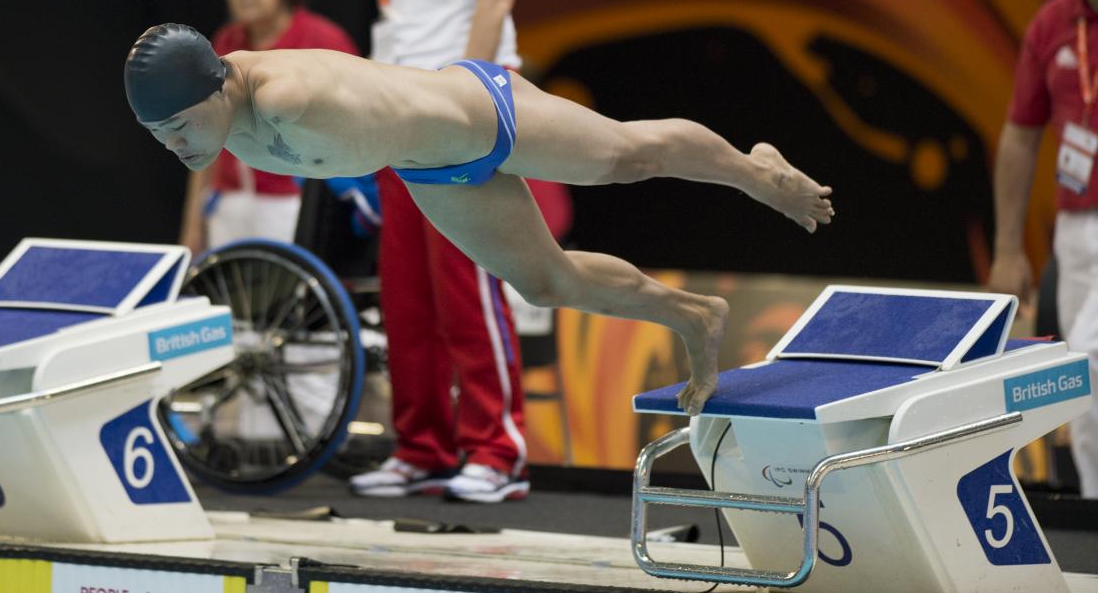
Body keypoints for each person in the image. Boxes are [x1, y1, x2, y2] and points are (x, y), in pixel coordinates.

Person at [124, 25, 834, 424]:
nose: (175, 146)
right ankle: (692, 316)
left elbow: (360, 110)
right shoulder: (216, 119)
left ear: (219, 85)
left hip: (483, 112)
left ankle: (755, 170)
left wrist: (359, 176)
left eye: (180, 127)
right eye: (158, 136)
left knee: (627, 156)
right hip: (432, 170)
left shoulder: (287, 95)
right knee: (546, 282)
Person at [353, 0, 537, 503]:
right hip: (400, 114)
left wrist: (467, 102)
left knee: (466, 285)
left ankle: (497, 448)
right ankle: (423, 446)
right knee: (407, 296)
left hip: (454, 109)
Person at [988, 0, 1098, 499]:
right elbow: (1020, 137)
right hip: (1075, 231)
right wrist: (1007, 247)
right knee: (1088, 379)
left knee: (1086, 361)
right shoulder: (1053, 24)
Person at [179, 0, 358, 255]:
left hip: (294, 203)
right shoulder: (226, 42)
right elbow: (201, 134)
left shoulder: (324, 40)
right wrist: (191, 227)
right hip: (230, 204)